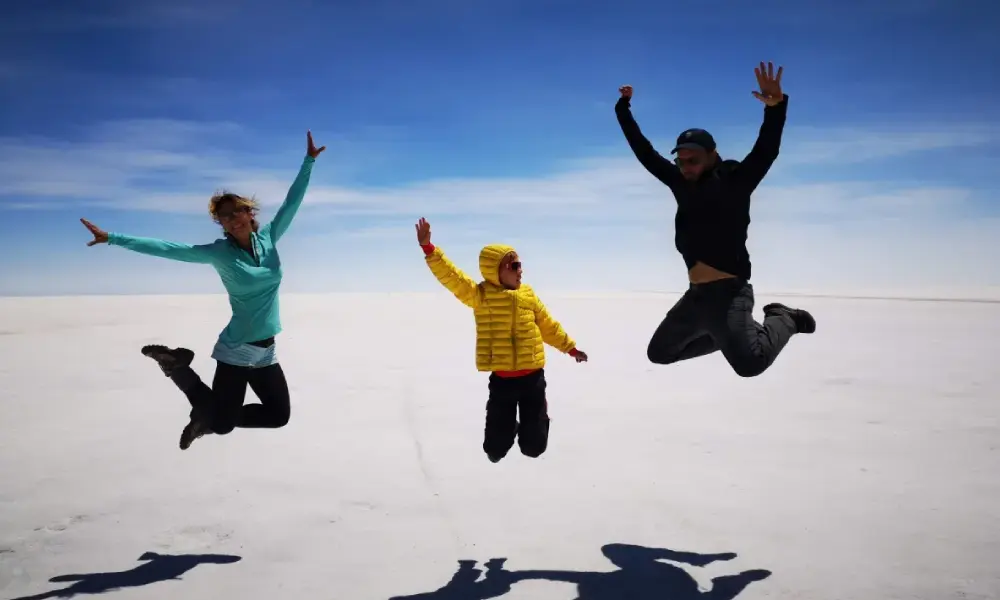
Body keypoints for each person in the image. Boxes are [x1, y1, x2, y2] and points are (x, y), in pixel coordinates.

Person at [80, 131, 326, 449]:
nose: (231, 219)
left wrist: (308, 162)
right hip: (237, 349)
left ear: (250, 213)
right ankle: (180, 372)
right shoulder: (219, 253)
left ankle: (197, 397)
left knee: (277, 416)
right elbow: (169, 248)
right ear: (220, 224)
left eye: (235, 211)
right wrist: (113, 237)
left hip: (266, 351)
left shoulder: (269, 237)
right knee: (222, 425)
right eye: (223, 217)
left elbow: (293, 202)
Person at [615, 61, 816, 378]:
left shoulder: (735, 181)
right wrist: (623, 109)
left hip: (730, 295)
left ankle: (784, 318)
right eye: (680, 160)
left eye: (693, 160)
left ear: (712, 154)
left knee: (750, 365)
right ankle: (730, 337)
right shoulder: (681, 185)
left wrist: (775, 108)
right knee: (661, 353)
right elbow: (644, 152)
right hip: (695, 298)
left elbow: (766, 151)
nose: (685, 166)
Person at [414, 217, 588, 462]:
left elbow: (548, 326)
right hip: (502, 383)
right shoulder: (481, 296)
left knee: (534, 448)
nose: (520, 270)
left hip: (533, 381)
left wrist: (571, 349)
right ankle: (509, 429)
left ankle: (539, 418)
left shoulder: (528, 295)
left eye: (520, 265)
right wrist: (429, 249)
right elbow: (453, 278)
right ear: (495, 270)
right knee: (494, 450)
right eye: (514, 265)